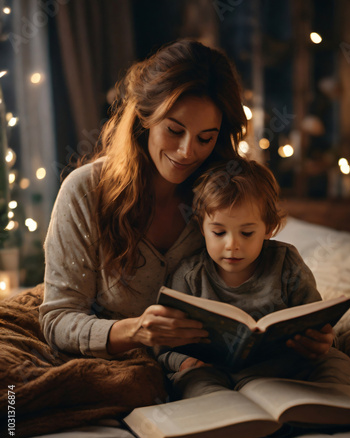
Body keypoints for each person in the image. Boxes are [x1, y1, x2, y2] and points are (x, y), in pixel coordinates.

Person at [39, 39, 249, 358]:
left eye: (206, 138)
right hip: (124, 370)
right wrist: (135, 332)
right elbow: (57, 319)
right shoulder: (85, 191)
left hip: (209, 370)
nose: (187, 152)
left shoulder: (227, 195)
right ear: (144, 118)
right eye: (174, 130)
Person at [158, 158, 350, 398]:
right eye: (219, 232)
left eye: (247, 232)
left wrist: (323, 342)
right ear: (202, 228)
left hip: (285, 371)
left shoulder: (286, 263)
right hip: (215, 373)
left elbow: (319, 325)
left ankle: (320, 411)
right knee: (191, 381)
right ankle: (226, 414)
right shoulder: (189, 276)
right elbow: (163, 346)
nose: (232, 245)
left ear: (269, 228)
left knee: (338, 362)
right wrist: (184, 362)